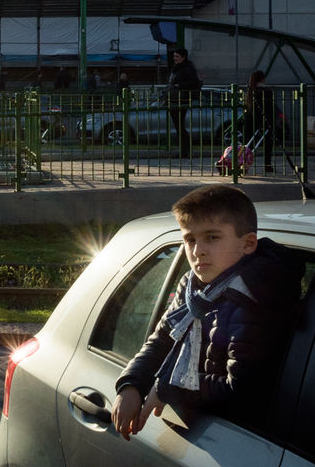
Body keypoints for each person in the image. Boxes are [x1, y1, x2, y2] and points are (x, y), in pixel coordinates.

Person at [112, 185, 303, 438]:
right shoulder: (193, 286)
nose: (197, 250)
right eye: (190, 239)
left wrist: (170, 385)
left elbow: (241, 391)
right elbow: (162, 340)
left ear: (248, 244)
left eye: (212, 237)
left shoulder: (254, 297)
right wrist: (131, 384)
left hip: (240, 440)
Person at [165, 47, 202, 158]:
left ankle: (185, 150)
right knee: (178, 126)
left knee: (179, 125)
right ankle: (184, 150)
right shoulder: (177, 68)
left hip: (181, 99)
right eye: (174, 56)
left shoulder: (187, 68)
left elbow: (194, 81)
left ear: (183, 57)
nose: (175, 58)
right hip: (174, 99)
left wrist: (179, 85)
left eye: (177, 56)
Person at [245, 69, 276, 172]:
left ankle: (243, 164)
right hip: (264, 118)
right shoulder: (266, 91)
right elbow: (270, 107)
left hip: (251, 119)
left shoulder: (250, 90)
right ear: (262, 79)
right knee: (268, 142)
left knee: (249, 143)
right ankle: (267, 164)